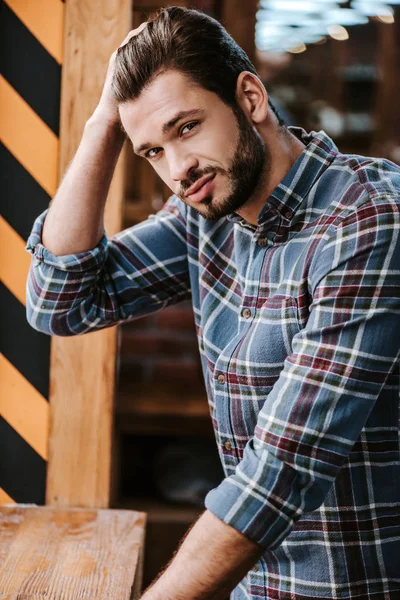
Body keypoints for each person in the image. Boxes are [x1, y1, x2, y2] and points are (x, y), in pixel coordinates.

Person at [25, 7, 400, 600]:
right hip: (252, 587)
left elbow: (278, 477)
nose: (178, 169)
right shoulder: (210, 212)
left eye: (186, 127)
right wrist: (104, 124)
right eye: (152, 151)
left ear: (249, 96)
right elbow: (61, 302)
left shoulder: (367, 223)